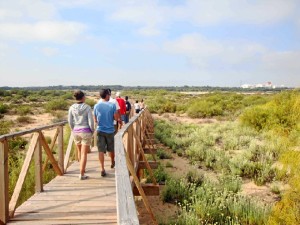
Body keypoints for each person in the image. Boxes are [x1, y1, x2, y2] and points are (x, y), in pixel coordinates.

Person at [68, 90, 94, 180]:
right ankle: (82, 174)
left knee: (79, 152)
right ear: (83, 97)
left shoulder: (71, 107)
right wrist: (92, 130)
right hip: (86, 131)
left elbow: (70, 121)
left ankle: (82, 169)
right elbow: (91, 122)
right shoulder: (87, 107)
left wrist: (73, 129)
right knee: (84, 154)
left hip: (76, 131)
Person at [94, 89, 118, 177]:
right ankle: (112, 162)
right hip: (110, 130)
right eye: (109, 95)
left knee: (100, 150)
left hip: (100, 130)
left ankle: (102, 168)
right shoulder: (112, 105)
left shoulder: (96, 106)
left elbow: (95, 119)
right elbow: (115, 118)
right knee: (111, 148)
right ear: (107, 95)